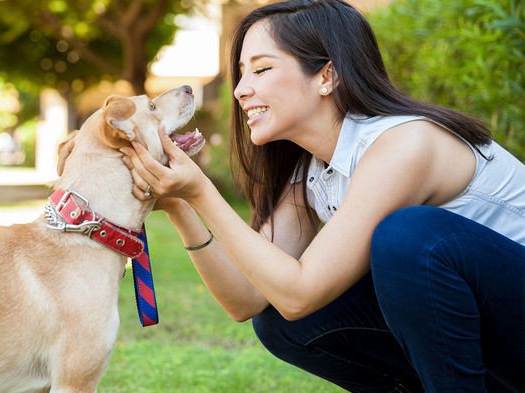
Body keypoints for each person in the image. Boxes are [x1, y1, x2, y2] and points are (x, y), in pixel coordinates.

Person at [119, 1, 525, 392]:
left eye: (261, 69)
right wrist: (179, 202)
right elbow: (248, 299)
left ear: (327, 76)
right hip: (493, 337)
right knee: (281, 321)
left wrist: (202, 191)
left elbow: (300, 292)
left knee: (408, 237)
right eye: (241, 73)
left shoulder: (404, 144)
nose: (241, 90)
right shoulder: (311, 170)